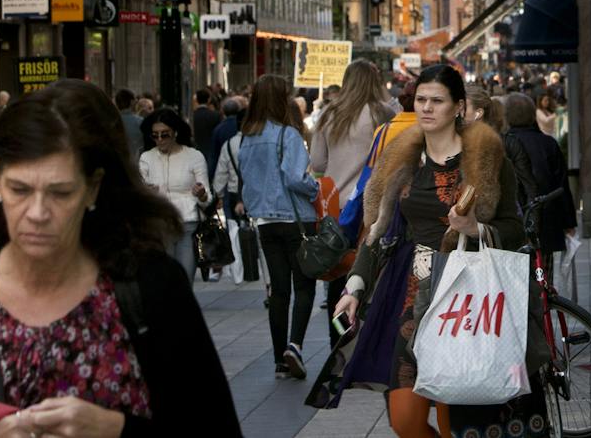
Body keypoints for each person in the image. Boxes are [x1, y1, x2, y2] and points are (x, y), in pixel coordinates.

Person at [0, 80, 241, 437]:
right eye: (20, 189)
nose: (38, 212)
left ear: (92, 187)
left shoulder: (151, 287)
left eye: (60, 192)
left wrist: (116, 429)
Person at [330, 65, 524, 438]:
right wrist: (354, 288)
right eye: (421, 99)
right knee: (405, 420)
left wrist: (476, 229)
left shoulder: (486, 160)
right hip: (412, 294)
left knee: (457, 416)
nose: (427, 108)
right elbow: (378, 234)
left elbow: (515, 230)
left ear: (459, 107)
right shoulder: (400, 158)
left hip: (466, 299)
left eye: (437, 100)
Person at [218, 74, 318, 379]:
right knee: (304, 285)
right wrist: (314, 189)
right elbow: (295, 177)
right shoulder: (287, 134)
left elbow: (244, 182)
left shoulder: (246, 138)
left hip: (265, 221)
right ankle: (295, 346)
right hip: (295, 218)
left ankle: (278, 359)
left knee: (278, 290)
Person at [311, 61, 397, 319]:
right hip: (370, 202)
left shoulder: (328, 113)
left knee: (337, 266)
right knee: (367, 264)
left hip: (335, 204)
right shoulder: (381, 113)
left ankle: (335, 334)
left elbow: (316, 162)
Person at [138, 108, 211, 285]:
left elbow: (207, 198)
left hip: (188, 224)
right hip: (160, 226)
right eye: (155, 135)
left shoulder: (194, 156)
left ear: (175, 133)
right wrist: (147, 194)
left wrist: (201, 194)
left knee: (185, 280)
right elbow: (139, 197)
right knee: (163, 281)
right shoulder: (147, 158)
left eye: (165, 134)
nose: (160, 140)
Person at [503, 92, 575, 259]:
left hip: (513, 224)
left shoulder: (503, 143)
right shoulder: (548, 143)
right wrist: (569, 222)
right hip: (545, 222)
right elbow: (561, 185)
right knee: (543, 274)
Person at [116, 88, 143, 155]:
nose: (137, 101)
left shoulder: (110, 121)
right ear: (131, 102)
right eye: (135, 99)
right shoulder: (140, 122)